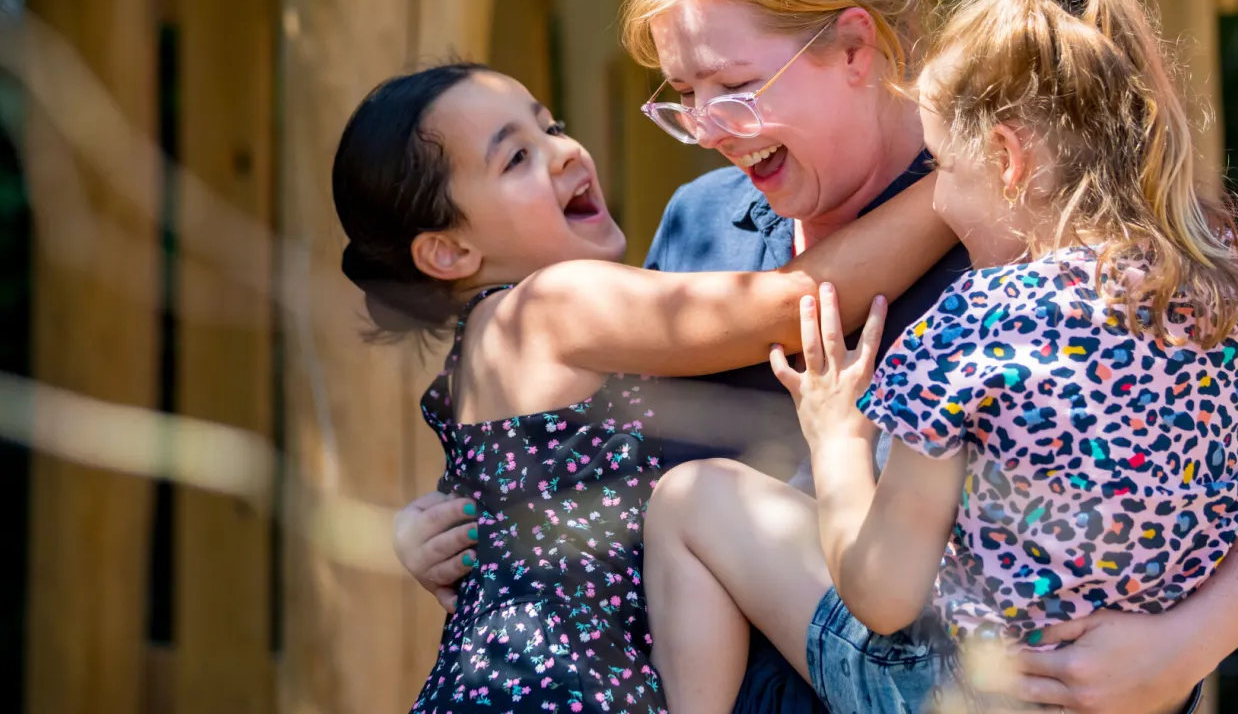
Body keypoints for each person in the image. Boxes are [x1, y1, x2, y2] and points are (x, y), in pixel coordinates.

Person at [392, 0, 1238, 712]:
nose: (709, 126)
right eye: (683, 95)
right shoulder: (701, 223)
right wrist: (463, 525)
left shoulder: (1012, 227)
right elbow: (619, 477)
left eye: (733, 86)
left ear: (855, 47)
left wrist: (1182, 648)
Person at [644, 0, 1238, 714]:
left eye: (943, 171)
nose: (940, 205)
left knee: (689, 499)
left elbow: (882, 596)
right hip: (1111, 691)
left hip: (958, 690)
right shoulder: (1215, 298)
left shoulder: (971, 329)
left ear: (1006, 160)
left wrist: (837, 439)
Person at [333, 62, 958, 713]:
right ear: (450, 252)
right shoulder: (549, 306)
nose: (563, 152)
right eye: (516, 157)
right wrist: (964, 178)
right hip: (558, 692)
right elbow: (789, 303)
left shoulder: (490, 352)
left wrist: (419, 535)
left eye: (552, 127)